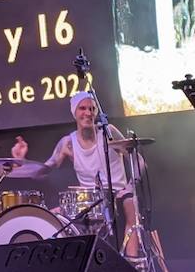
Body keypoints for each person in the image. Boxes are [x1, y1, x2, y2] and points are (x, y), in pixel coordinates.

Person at [11, 92, 141, 256]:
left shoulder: (108, 132)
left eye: (92, 109)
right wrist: (21, 161)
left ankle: (132, 263)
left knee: (131, 204)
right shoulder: (68, 143)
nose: (88, 113)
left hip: (118, 193)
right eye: (83, 108)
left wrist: (130, 186)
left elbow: (139, 160)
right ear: (74, 112)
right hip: (87, 200)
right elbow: (43, 171)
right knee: (51, 216)